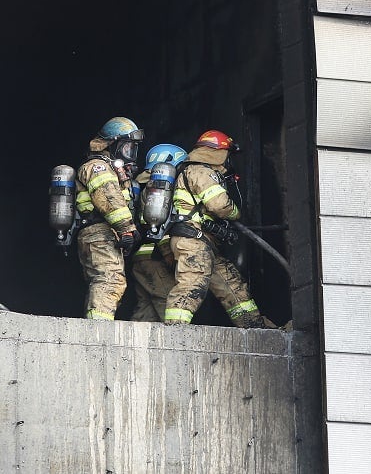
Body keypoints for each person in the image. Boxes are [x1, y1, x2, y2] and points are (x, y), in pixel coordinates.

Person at [164, 130, 266, 327]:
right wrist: (236, 213)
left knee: (232, 284)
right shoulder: (200, 172)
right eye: (227, 155)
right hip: (192, 240)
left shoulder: (198, 172)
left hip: (205, 241)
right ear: (218, 154)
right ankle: (174, 330)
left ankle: (253, 328)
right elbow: (219, 205)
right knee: (193, 283)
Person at [75, 117, 144, 320]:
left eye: (133, 149)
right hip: (98, 232)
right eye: (127, 148)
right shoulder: (97, 166)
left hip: (104, 233)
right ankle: (99, 330)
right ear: (112, 144)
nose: (130, 154)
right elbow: (109, 198)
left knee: (104, 280)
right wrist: (126, 228)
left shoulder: (111, 167)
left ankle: (97, 323)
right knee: (110, 279)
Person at [129, 143, 188, 321]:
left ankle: (135, 347)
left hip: (142, 258)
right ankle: (175, 343)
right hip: (155, 259)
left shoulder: (143, 187)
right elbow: (161, 232)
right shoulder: (159, 191)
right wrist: (171, 257)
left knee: (146, 310)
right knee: (169, 301)